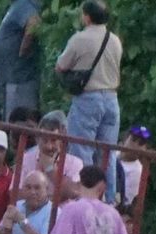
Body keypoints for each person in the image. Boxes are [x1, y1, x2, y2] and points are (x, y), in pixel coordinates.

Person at [56, 1, 121, 201]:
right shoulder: (115, 40)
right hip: (112, 99)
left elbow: (61, 65)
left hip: (88, 99)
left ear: (87, 17)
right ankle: (108, 200)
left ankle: (86, 196)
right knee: (107, 154)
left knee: (82, 149)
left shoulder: (80, 39)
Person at [0, 0, 41, 118]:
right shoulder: (17, 6)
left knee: (19, 120)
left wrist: (23, 50)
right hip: (10, 78)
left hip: (18, 79)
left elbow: (33, 23)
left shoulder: (24, 4)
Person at [17, 111, 81, 199]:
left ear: (61, 141)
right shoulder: (26, 158)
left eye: (53, 140)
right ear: (37, 140)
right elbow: (15, 193)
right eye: (44, 140)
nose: (49, 146)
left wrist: (50, 169)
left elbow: (73, 193)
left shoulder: (75, 162)